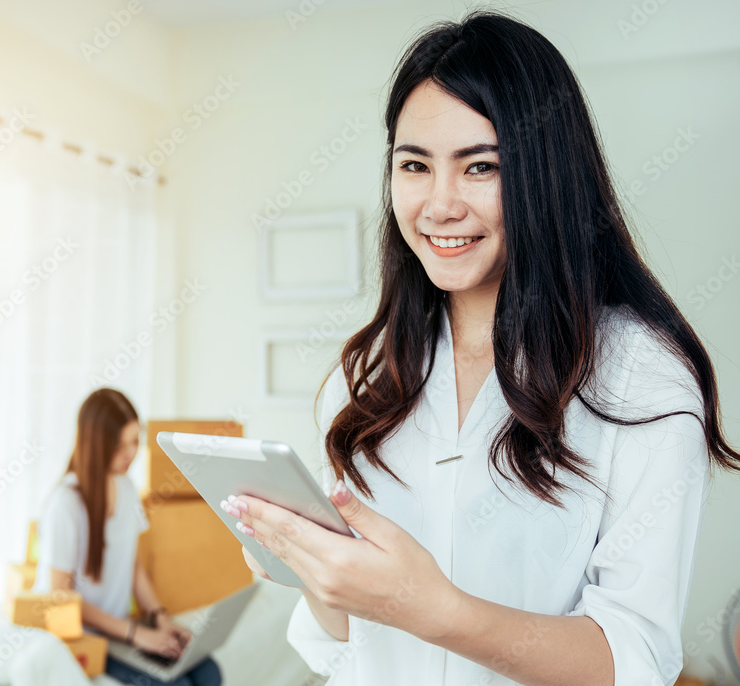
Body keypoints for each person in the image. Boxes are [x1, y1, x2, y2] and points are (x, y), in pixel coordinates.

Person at [219, 9, 740, 686]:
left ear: (545, 177)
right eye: (414, 165)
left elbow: (635, 659)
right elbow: (341, 650)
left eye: (480, 167)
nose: (439, 204)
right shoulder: (368, 380)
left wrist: (437, 610)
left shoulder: (641, 377)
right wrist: (315, 569)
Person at [34, 388, 222, 686]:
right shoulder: (65, 503)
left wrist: (160, 618)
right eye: (118, 445)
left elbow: (133, 569)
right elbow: (60, 596)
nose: (129, 454)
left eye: (134, 442)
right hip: (83, 637)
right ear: (95, 445)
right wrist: (136, 634)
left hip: (119, 634)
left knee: (209, 672)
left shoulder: (126, 489)